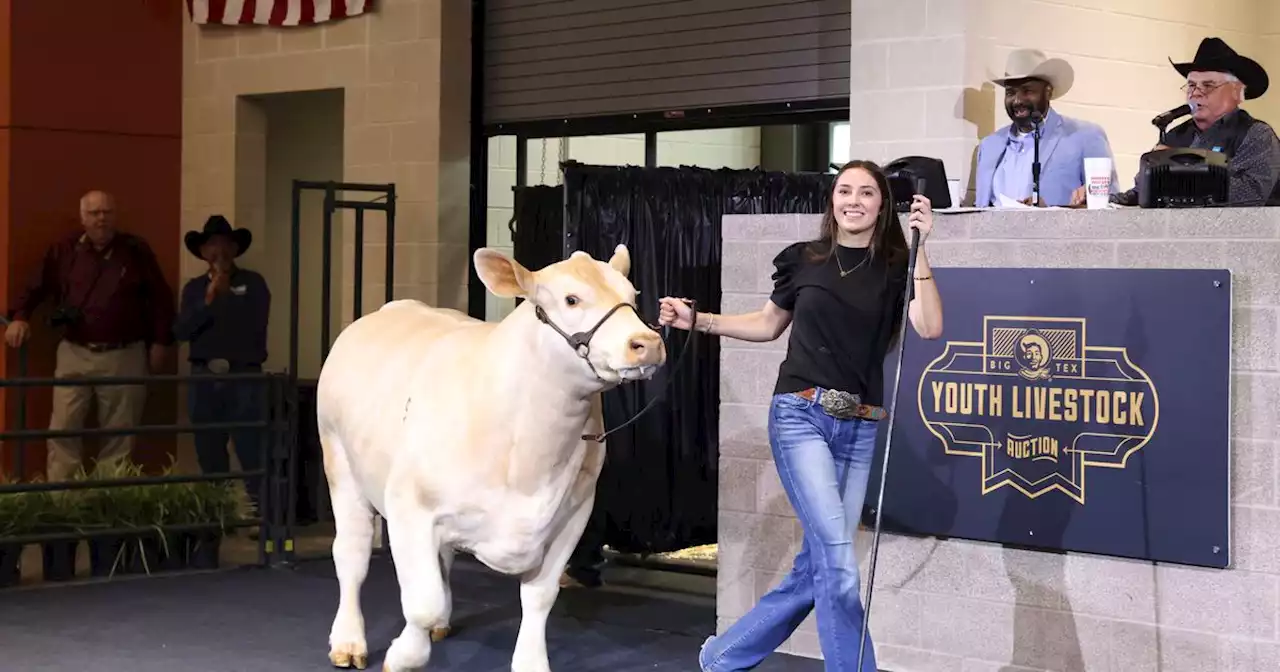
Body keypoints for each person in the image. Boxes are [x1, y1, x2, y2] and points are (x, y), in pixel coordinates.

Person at [658, 160, 944, 671]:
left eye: (866, 192)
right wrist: (695, 320)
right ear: (833, 200)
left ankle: (723, 656)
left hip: (860, 426)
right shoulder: (806, 260)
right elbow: (767, 325)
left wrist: (924, 248)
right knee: (838, 565)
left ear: (883, 205)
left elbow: (929, 326)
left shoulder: (899, 264)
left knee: (819, 566)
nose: (853, 200)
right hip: (801, 415)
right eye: (844, 191)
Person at [4, 190, 175, 481]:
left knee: (120, 433)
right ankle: (61, 500)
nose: (101, 219)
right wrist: (19, 318)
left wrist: (160, 342)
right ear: (83, 217)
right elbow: (34, 286)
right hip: (74, 351)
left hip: (125, 352)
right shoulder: (63, 250)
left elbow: (160, 298)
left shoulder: (135, 251)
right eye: (94, 213)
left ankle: (108, 502)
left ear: (115, 216)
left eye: (107, 212)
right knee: (63, 428)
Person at [173, 215, 271, 514]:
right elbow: (181, 331)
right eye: (212, 245)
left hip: (243, 376)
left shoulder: (253, 284)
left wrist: (227, 296)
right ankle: (218, 513)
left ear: (234, 248)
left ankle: (258, 513)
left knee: (250, 446)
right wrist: (208, 300)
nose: (219, 251)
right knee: (209, 449)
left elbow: (255, 327)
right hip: (204, 377)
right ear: (203, 252)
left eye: (225, 244)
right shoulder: (193, 289)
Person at [1113, 37, 1280, 207]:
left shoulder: (1256, 135)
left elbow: (1250, 194)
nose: (1196, 93)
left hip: (1240, 232)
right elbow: (1142, 191)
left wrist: (1179, 174)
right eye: (1191, 85)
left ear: (1235, 92)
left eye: (1208, 85)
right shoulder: (1175, 135)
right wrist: (1104, 199)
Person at [973, 48, 1118, 208]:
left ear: (1048, 92)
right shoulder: (989, 145)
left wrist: (1050, 214)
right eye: (1010, 92)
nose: (1017, 100)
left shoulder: (1085, 137)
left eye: (1027, 91)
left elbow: (1111, 205)